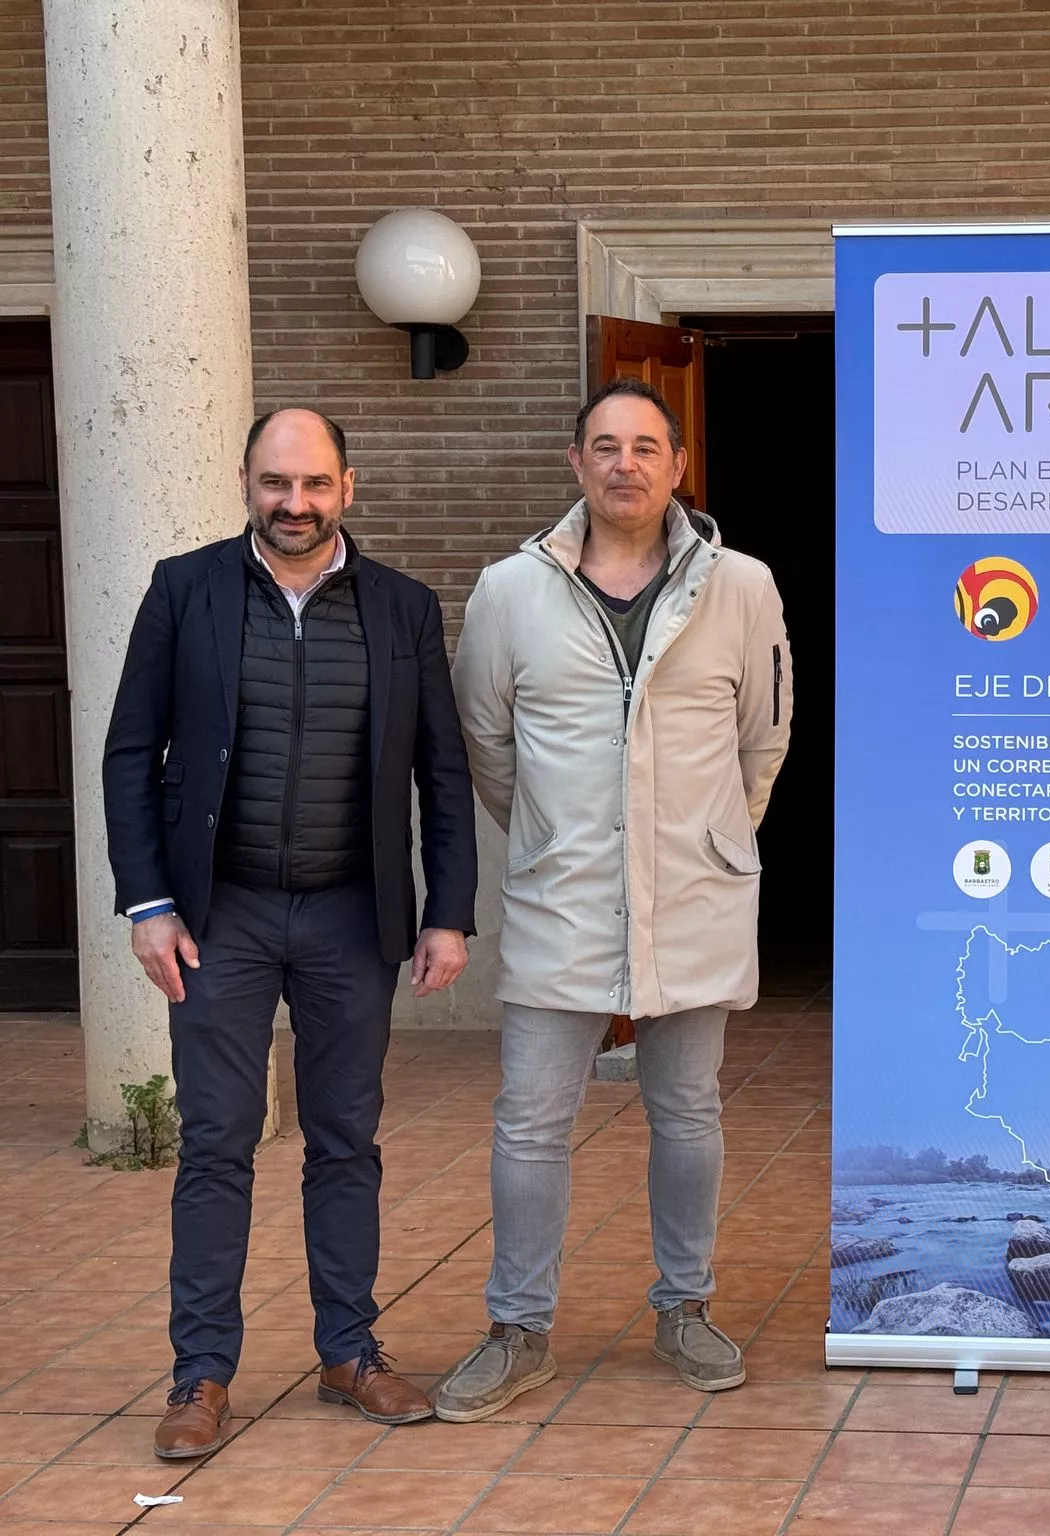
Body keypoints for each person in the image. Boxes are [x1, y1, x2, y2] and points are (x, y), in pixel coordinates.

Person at [103, 408, 478, 1459]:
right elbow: (130, 751)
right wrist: (147, 904)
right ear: (246, 483)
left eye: (314, 483)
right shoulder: (184, 590)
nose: (294, 503)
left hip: (351, 917)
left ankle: (349, 1352)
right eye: (276, 482)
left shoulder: (403, 605)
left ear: (347, 487)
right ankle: (201, 1374)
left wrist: (448, 911)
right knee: (217, 1142)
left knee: (345, 1139)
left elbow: (442, 771)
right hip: (217, 916)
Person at [435, 378, 791, 1422]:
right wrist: (555, 838)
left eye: (644, 446)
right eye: (604, 445)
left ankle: (685, 1308)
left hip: (694, 895)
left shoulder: (743, 587)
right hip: (564, 898)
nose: (624, 463)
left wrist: (711, 839)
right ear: (576, 464)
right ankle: (518, 1330)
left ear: (678, 465)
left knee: (686, 1112)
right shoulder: (510, 591)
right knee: (529, 1122)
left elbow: (762, 740)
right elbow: (486, 742)